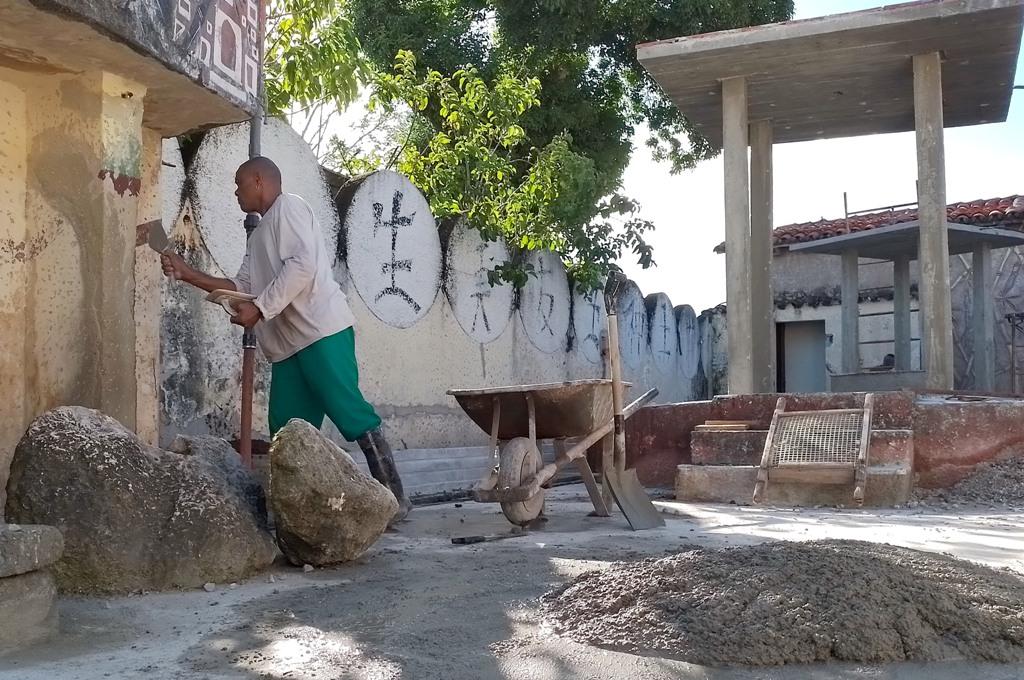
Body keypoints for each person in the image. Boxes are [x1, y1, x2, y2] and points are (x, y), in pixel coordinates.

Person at [161, 156, 412, 522]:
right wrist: (187, 274)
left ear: (258, 180)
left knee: (349, 412)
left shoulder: (289, 207)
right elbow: (241, 286)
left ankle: (395, 500)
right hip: (287, 347)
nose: (235, 192)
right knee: (288, 431)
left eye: (239, 185)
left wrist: (260, 308)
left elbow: (302, 265)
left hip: (321, 332)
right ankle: (301, 518)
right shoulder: (258, 235)